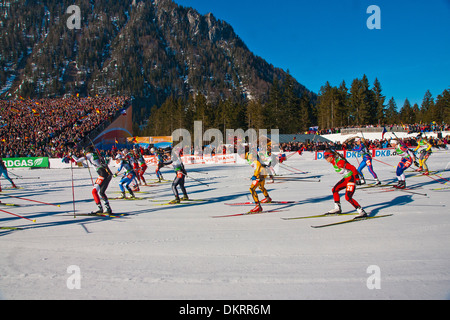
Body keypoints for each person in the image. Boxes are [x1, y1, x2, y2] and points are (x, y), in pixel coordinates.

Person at [323, 149, 367, 217]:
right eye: (324, 157)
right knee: (334, 190)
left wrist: (357, 178)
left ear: (331, 156)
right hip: (346, 179)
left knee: (348, 197)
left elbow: (353, 168)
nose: (325, 158)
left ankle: (361, 211)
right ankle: (337, 208)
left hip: (351, 178)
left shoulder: (339, 162)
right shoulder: (333, 162)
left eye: (326, 156)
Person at [72, 147, 113, 214]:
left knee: (94, 191)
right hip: (107, 174)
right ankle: (107, 208)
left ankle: (100, 208)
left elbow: (77, 160)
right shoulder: (96, 154)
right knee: (101, 192)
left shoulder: (89, 155)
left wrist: (72, 155)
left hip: (102, 174)